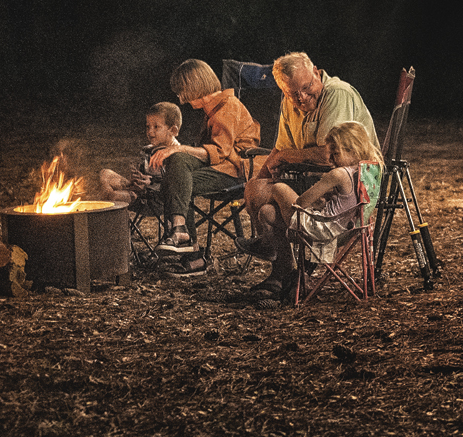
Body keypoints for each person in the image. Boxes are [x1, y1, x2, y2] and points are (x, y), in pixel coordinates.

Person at [232, 120, 382, 306]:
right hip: (350, 229)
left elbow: (302, 202)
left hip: (322, 230)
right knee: (267, 212)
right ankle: (287, 273)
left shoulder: (339, 174)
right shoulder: (369, 170)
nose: (331, 160)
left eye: (335, 154)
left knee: (279, 188)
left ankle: (267, 246)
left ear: (352, 150)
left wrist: (309, 198)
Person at [242, 52, 375, 234]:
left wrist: (285, 157)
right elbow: (280, 148)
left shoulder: (336, 93)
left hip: (344, 188)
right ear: (284, 91)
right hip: (310, 181)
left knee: (274, 197)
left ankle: (281, 248)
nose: (302, 97)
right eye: (293, 93)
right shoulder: (289, 104)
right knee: (257, 194)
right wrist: (261, 179)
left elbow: (328, 156)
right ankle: (277, 255)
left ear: (316, 73)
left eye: (307, 87)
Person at [156, 58, 261, 276]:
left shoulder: (228, 107)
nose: (181, 98)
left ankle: (190, 251)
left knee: (178, 177)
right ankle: (182, 234)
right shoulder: (212, 109)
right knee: (178, 167)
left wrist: (180, 149)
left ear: (194, 85)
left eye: (182, 91)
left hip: (236, 171)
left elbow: (219, 151)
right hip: (220, 166)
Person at [96, 102, 182, 205]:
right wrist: (135, 179)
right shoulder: (147, 149)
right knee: (105, 173)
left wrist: (150, 183)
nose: (150, 132)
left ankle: (110, 207)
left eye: (156, 127)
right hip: (140, 193)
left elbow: (176, 185)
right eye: (148, 127)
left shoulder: (178, 154)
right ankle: (109, 204)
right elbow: (142, 174)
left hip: (157, 199)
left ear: (173, 130)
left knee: (113, 197)